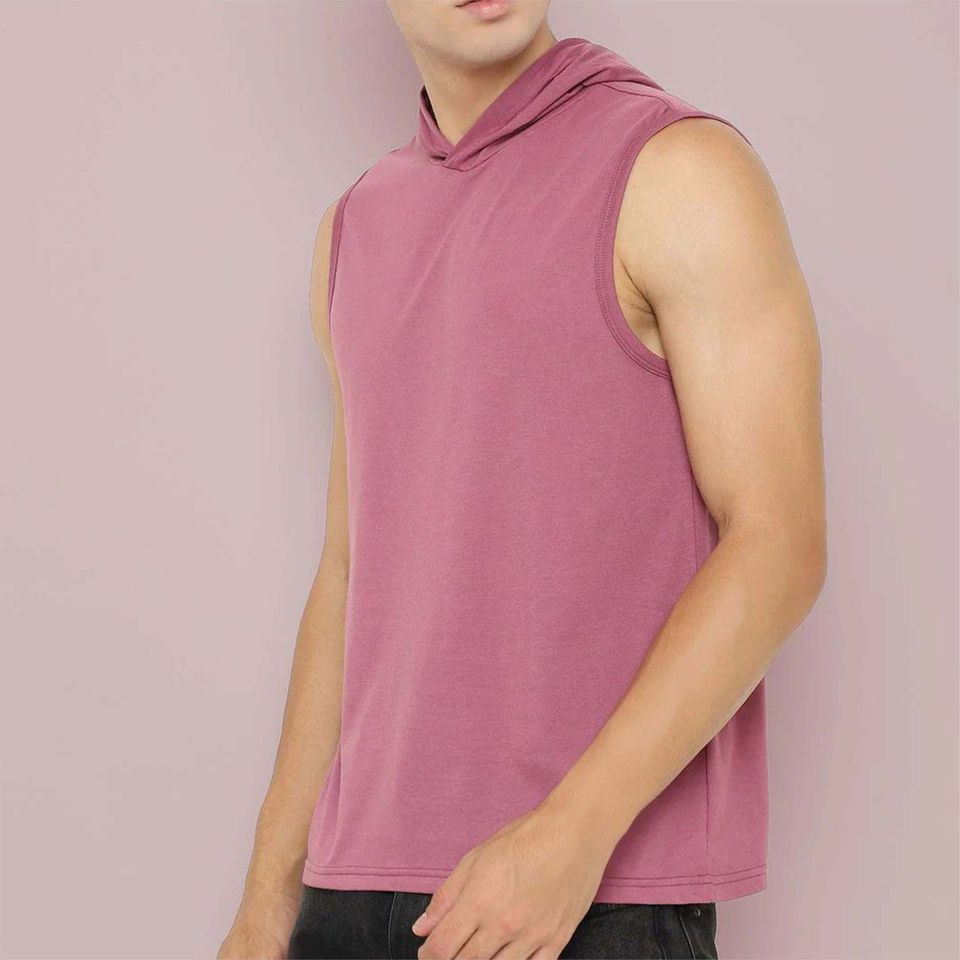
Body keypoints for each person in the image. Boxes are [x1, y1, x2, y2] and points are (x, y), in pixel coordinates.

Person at [219, 2, 826, 958]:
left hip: (584, 895)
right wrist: (267, 900)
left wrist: (572, 834)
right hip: (347, 898)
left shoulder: (679, 169)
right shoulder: (354, 228)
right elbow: (349, 572)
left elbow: (779, 543)